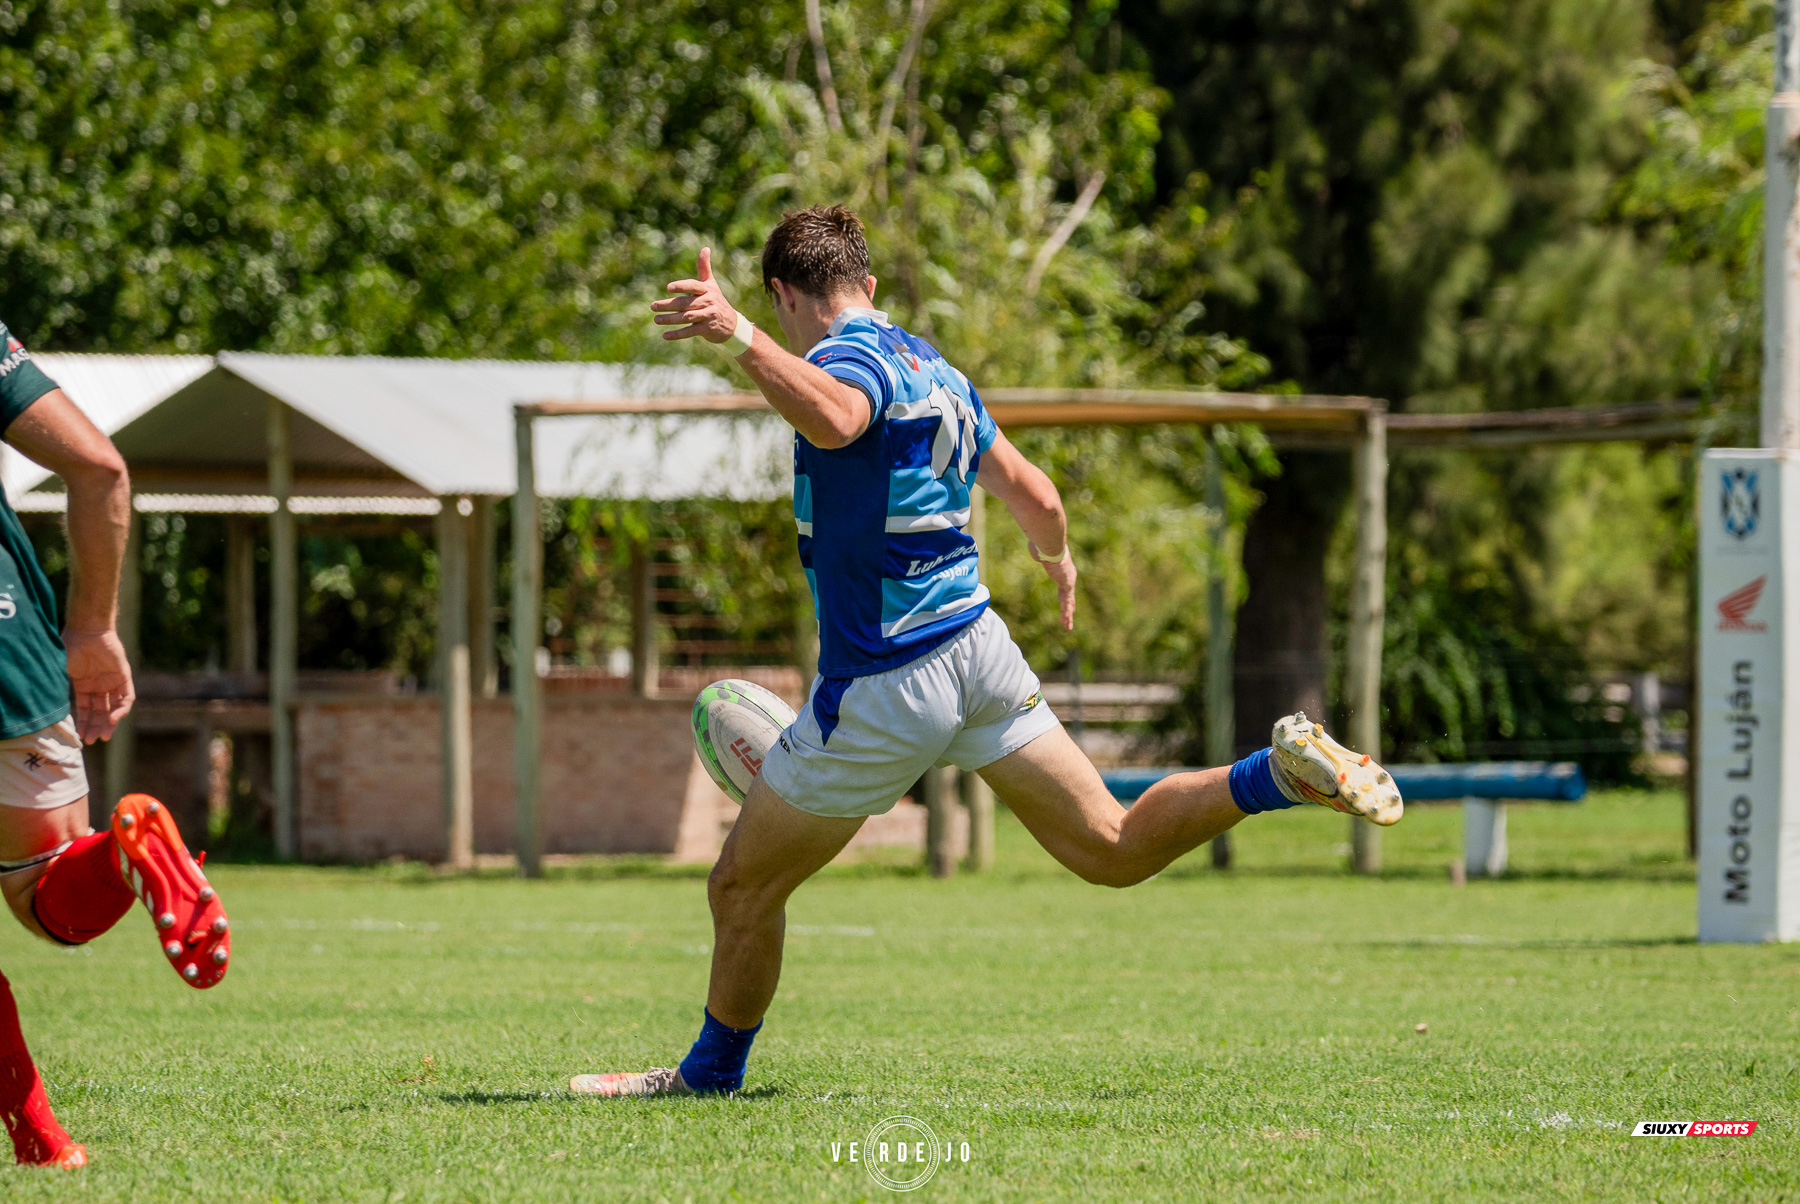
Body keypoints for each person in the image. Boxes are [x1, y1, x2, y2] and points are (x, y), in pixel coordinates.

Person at [569, 206, 1401, 1098]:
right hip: (980, 648)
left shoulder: (838, 360)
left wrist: (734, 334)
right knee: (1112, 847)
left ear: (782, 294)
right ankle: (1276, 775)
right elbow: (1036, 495)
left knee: (741, 888)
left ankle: (709, 1076)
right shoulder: (937, 368)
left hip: (888, 680)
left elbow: (840, 420)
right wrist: (1058, 558)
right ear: (870, 286)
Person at [0, 324, 231, 1168]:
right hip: (14, 652)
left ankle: (43, 1139)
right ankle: (126, 852)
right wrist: (92, 627)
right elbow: (100, 466)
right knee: (45, 895)